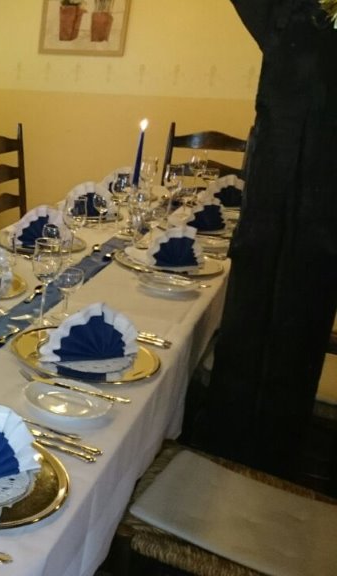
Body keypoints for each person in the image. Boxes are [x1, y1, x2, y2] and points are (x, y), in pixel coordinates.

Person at [203, 0, 337, 481]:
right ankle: (220, 451)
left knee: (290, 336)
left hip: (316, 227)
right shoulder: (286, 16)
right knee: (241, 324)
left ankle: (263, 472)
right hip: (267, 211)